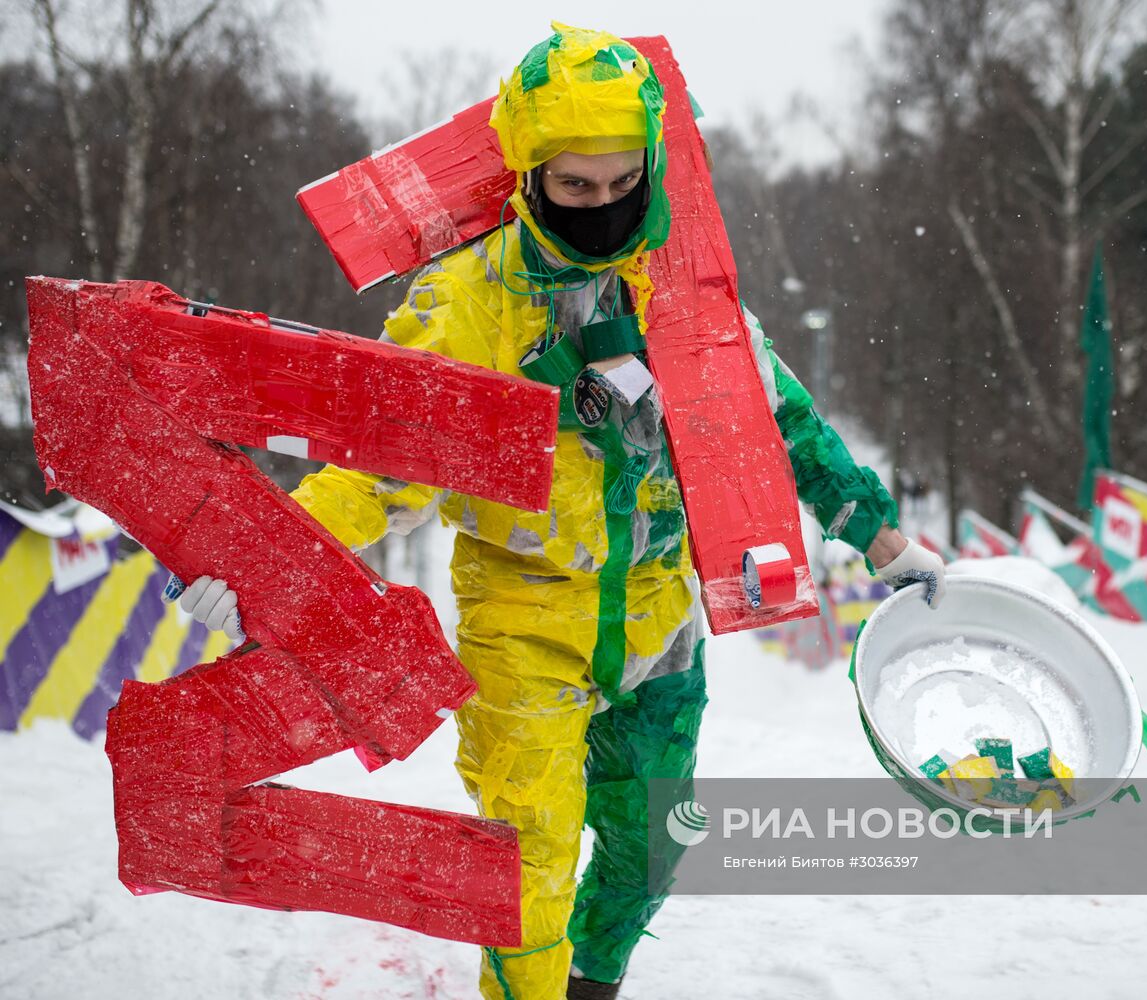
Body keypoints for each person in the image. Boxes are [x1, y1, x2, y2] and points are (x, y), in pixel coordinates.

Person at [176, 23, 946, 1000]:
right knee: (530, 859)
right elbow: (376, 458)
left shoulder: (680, 289)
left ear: (651, 169)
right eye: (574, 186)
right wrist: (268, 558)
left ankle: (595, 982)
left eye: (621, 183)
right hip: (522, 624)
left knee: (650, 852)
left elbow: (777, 418)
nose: (600, 206)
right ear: (529, 172)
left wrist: (883, 538)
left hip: (658, 626)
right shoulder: (466, 301)